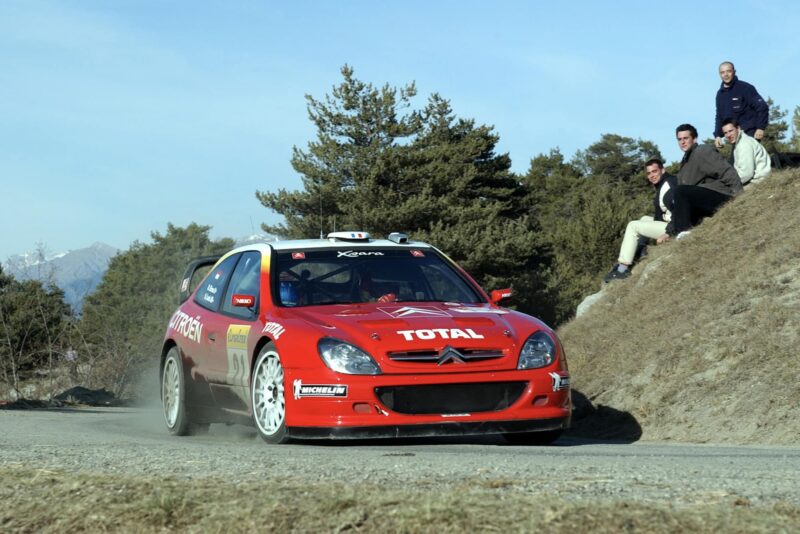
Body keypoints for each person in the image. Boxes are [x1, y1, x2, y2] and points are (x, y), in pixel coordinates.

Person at [658, 124, 742, 242]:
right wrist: (668, 231)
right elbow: (680, 205)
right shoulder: (685, 162)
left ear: (694, 139)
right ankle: (678, 232)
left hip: (721, 196)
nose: (682, 142)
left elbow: (727, 172)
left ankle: (684, 232)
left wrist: (739, 198)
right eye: (679, 139)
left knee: (681, 191)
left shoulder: (702, 151)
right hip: (702, 202)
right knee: (670, 196)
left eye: (686, 138)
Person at [604, 159, 676, 282]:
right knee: (643, 219)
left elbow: (680, 210)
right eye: (649, 173)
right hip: (669, 222)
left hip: (675, 227)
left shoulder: (669, 185)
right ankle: (638, 252)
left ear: (662, 170)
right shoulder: (663, 183)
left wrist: (669, 232)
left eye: (655, 171)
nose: (652, 176)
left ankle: (622, 269)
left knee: (633, 226)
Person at [714, 62, 768, 149]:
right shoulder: (720, 94)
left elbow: (762, 107)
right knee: (734, 162)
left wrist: (760, 128)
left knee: (744, 161)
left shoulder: (745, 88)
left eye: (728, 71)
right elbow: (719, 116)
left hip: (749, 134)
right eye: (722, 72)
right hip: (734, 136)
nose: (726, 75)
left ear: (734, 72)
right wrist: (717, 135)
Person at [721, 118, 771, 186]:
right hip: (752, 181)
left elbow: (746, 174)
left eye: (730, 131)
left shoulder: (744, 144)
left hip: (758, 182)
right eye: (725, 133)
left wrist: (727, 184)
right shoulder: (739, 144)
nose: (728, 135)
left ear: (738, 128)